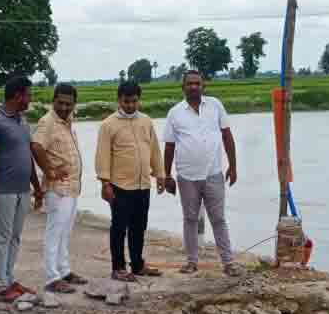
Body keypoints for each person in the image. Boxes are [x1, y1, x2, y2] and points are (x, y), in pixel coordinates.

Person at [163, 70, 242, 276]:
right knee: (190, 219)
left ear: (203, 86)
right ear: (183, 87)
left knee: (218, 219)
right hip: (187, 176)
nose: (194, 87)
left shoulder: (215, 105)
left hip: (214, 173)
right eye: (189, 84)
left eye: (197, 83)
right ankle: (191, 262)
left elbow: (227, 136)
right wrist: (167, 175)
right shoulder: (175, 112)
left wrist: (233, 166)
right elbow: (169, 147)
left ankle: (228, 263)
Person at [0, 74, 42, 301]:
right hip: (3, 190)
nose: (31, 99)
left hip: (22, 190)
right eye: (29, 95)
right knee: (2, 236)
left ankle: (8, 277)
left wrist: (37, 186)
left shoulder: (23, 123)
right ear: (18, 96)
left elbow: (28, 157)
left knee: (15, 237)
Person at [95, 81, 164, 281]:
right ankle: (118, 267)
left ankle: (137, 265)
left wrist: (160, 174)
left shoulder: (146, 121)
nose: (130, 106)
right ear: (119, 100)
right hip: (120, 186)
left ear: (138, 100)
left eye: (134, 101)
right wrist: (105, 184)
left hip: (142, 185)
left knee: (139, 227)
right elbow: (102, 156)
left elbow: (154, 151)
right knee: (119, 227)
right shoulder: (108, 125)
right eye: (126, 101)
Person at [31, 83, 87, 293]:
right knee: (55, 232)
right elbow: (36, 146)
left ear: (74, 104)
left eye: (68, 104)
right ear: (53, 100)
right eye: (60, 103)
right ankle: (51, 277)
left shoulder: (66, 121)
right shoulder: (47, 122)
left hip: (71, 187)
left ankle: (64, 270)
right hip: (58, 187)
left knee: (66, 231)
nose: (64, 107)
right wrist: (50, 170)